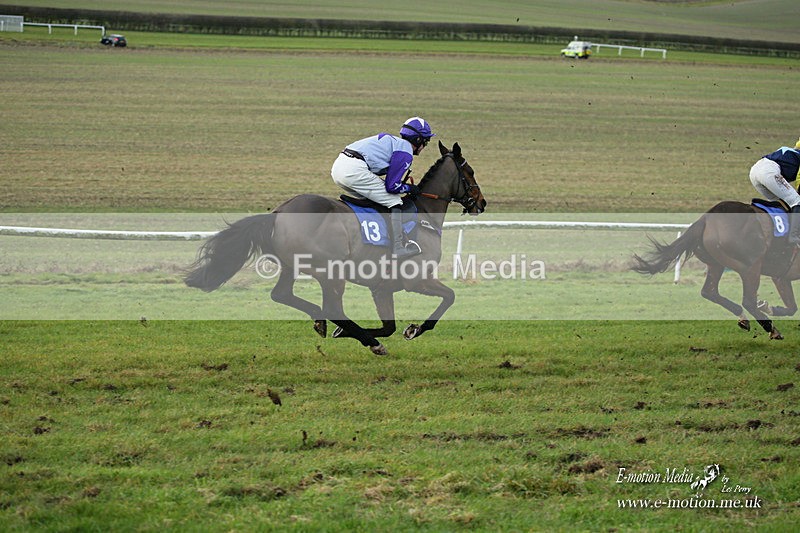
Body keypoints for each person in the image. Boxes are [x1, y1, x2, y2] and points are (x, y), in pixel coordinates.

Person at [331, 117, 435, 257]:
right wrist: (410, 188)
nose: (425, 146)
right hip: (354, 170)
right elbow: (392, 187)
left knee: (379, 200)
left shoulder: (395, 143)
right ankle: (398, 247)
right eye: (426, 141)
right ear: (418, 140)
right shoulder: (405, 151)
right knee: (394, 201)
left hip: (339, 167)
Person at [750, 138, 800, 244]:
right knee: (796, 201)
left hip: (755, 171)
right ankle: (794, 236)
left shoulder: (793, 151)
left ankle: (781, 233)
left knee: (784, 203)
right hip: (769, 172)